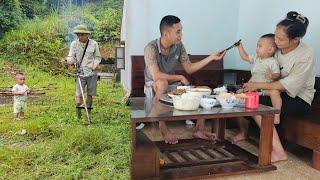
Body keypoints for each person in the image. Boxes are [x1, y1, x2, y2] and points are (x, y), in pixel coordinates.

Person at [236, 11, 315, 163]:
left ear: (295, 39)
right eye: (275, 35)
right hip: (274, 91)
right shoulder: (276, 48)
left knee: (257, 105)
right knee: (243, 97)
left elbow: (286, 85)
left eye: (280, 39)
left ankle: (278, 153)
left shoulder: (306, 54)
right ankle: (244, 133)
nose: (275, 41)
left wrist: (257, 85)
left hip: (298, 97)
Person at [144, 15, 226, 144]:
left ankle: (199, 129)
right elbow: (156, 75)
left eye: (181, 30)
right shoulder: (151, 48)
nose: (181, 34)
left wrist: (211, 58)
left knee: (204, 90)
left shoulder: (179, 46)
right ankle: (163, 128)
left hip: (173, 85)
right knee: (162, 83)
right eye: (178, 31)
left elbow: (189, 68)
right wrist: (180, 77)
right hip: (154, 84)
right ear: (166, 34)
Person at [230, 34, 282, 143]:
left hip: (264, 90)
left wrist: (272, 75)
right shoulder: (256, 58)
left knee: (274, 93)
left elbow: (277, 74)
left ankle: (277, 114)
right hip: (252, 89)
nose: (256, 48)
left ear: (271, 49)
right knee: (237, 96)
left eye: (260, 46)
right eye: (257, 45)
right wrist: (240, 47)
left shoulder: (272, 61)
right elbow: (245, 57)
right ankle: (243, 131)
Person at [67, 24, 101, 119]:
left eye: (82, 34)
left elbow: (98, 57)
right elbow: (70, 56)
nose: (80, 37)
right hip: (80, 72)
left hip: (92, 72)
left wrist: (94, 65)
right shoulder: (74, 44)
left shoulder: (94, 44)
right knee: (78, 93)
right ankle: (78, 115)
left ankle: (88, 111)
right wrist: (70, 60)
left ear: (87, 34)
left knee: (90, 93)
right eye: (78, 35)